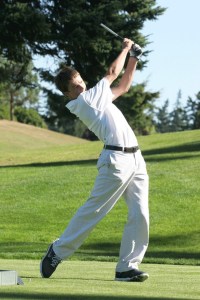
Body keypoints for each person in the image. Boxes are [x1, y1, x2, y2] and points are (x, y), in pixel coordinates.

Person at [40, 38, 149, 282]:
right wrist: (125, 49)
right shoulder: (85, 102)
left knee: (140, 213)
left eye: (79, 81)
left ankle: (126, 268)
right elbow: (112, 73)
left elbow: (123, 87)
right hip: (115, 160)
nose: (79, 87)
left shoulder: (96, 96)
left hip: (136, 159)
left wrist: (134, 58)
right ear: (68, 94)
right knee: (95, 210)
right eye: (74, 87)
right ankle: (57, 251)